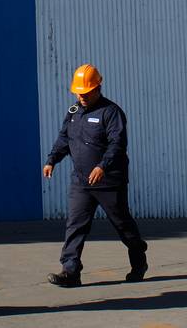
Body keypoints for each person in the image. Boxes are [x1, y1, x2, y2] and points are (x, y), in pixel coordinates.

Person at [43, 64, 148, 287]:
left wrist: (103, 166)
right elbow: (64, 139)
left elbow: (117, 144)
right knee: (75, 224)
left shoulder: (111, 112)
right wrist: (52, 159)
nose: (81, 96)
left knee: (122, 224)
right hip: (81, 181)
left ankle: (138, 260)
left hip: (109, 181)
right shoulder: (73, 113)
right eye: (78, 92)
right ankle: (70, 271)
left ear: (97, 87)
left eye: (86, 92)